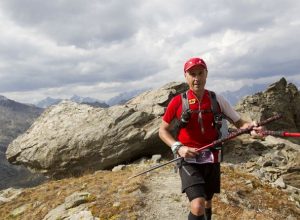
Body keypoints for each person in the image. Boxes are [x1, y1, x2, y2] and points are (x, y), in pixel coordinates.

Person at [159, 57, 262, 220]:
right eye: (192, 74)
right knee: (198, 204)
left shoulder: (217, 99)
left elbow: (240, 123)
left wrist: (252, 128)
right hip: (188, 159)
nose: (197, 78)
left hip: (211, 157)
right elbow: (162, 131)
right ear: (185, 76)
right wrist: (178, 147)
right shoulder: (178, 102)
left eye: (200, 73)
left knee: (207, 200)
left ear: (206, 74)